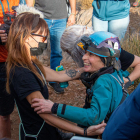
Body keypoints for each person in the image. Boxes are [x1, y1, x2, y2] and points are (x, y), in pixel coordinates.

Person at [6, 12, 106, 140]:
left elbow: (59, 75)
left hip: (47, 130)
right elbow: (46, 115)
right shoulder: (23, 74)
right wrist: (83, 132)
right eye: (42, 37)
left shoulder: (30, 63)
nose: (45, 41)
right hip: (39, 135)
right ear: (26, 37)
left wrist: (87, 68)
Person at [31, 31, 131, 139]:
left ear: (105, 59)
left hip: (119, 132)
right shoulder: (113, 71)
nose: (84, 57)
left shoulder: (103, 81)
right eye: (85, 53)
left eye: (91, 54)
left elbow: (94, 117)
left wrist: (54, 107)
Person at [26, 0, 76, 94]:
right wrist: (29, 14)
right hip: (40, 17)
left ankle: (54, 80)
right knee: (34, 50)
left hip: (60, 18)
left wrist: (73, 13)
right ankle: (33, 79)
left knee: (57, 52)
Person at [0, 0, 22, 138]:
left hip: (21, 59)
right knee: (4, 114)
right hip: (2, 63)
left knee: (30, 105)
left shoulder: (20, 1)